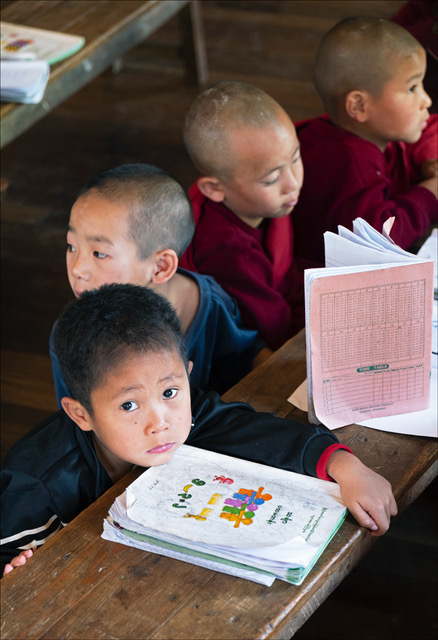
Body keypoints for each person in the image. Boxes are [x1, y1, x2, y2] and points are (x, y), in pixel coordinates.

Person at [1, 284, 397, 576]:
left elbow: (259, 434)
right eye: (129, 405)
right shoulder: (36, 484)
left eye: (171, 391)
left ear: (187, 378)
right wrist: (12, 571)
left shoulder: (186, 418)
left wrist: (347, 468)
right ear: (81, 414)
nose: (161, 422)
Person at [50, 163, 271, 401]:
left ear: (161, 267)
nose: (77, 268)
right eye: (71, 246)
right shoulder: (73, 336)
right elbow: (78, 424)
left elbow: (244, 355)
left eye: (99, 253)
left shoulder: (206, 301)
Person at [292, 16, 438, 270]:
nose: (425, 99)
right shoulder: (351, 163)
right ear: (359, 106)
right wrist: (430, 194)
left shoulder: (355, 132)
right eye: (412, 88)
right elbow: (377, 244)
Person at [179, 81, 305, 350]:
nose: (292, 183)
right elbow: (275, 330)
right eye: (272, 179)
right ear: (214, 188)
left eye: (295, 158)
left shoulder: (264, 202)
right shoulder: (227, 251)